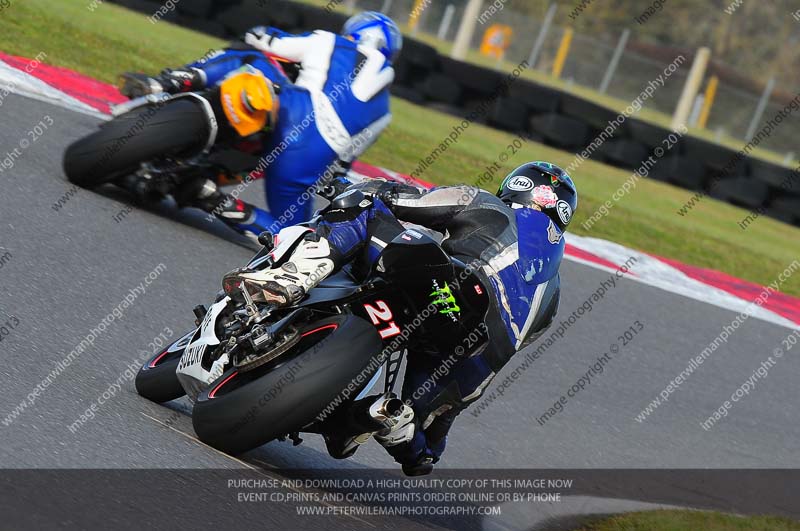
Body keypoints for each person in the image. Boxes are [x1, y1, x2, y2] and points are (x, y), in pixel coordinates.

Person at [231, 161, 577, 475]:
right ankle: (386, 419)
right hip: (475, 348)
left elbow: (407, 200)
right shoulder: (554, 291)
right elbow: (518, 343)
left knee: (367, 205)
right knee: (424, 450)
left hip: (445, 285)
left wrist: (356, 191)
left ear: (516, 186)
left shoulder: (489, 204)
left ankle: (295, 276)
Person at [119, 12, 402, 240]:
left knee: (250, 55)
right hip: (310, 157)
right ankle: (210, 197)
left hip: (292, 109)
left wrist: (264, 34)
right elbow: (340, 167)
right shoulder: (385, 112)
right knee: (298, 237)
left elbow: (265, 40)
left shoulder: (330, 41)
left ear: (353, 31)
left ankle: (170, 81)